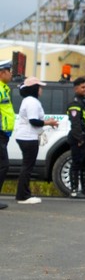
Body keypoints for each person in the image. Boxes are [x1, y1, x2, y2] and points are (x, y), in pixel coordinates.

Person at [15, 76, 59, 204]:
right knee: (27, 166)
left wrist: (47, 122)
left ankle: (23, 194)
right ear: (33, 88)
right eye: (39, 87)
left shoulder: (28, 100)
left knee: (27, 166)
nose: (41, 90)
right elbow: (33, 121)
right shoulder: (32, 102)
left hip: (26, 136)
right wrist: (49, 122)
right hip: (28, 137)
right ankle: (23, 196)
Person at [66, 76, 85, 199]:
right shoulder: (75, 104)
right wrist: (80, 138)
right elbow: (75, 123)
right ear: (76, 89)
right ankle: (74, 190)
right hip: (78, 139)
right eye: (83, 87)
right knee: (76, 163)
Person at [0, 59, 14, 210]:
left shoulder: (4, 88)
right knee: (3, 165)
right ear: (2, 72)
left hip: (4, 134)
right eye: (9, 71)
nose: (11, 74)